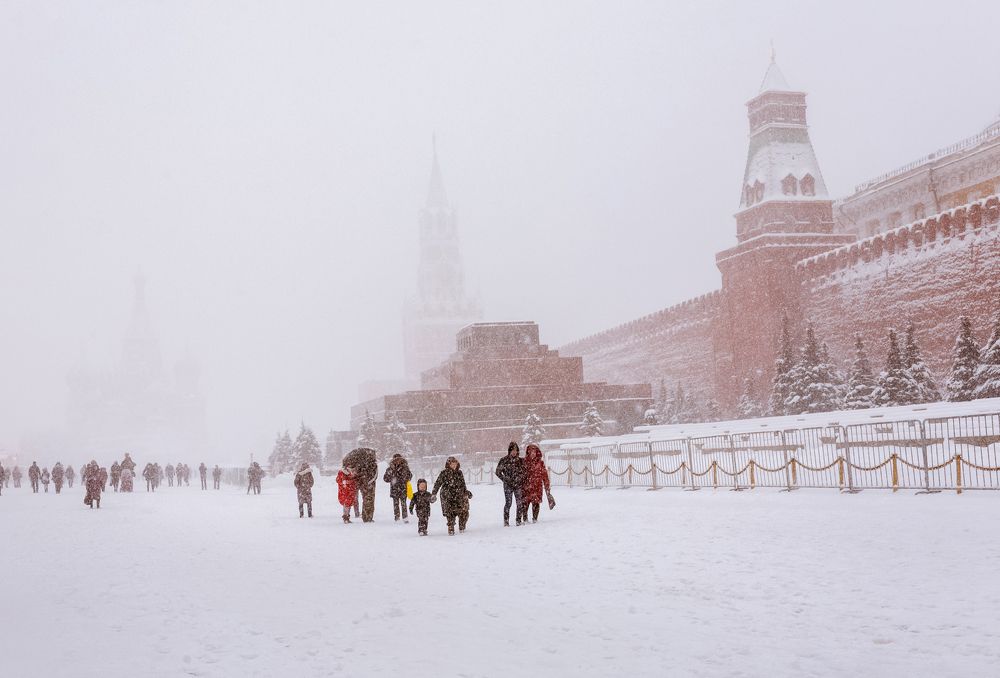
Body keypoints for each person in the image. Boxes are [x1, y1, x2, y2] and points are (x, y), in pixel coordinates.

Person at [431, 456, 472, 536]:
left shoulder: (459, 473)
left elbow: (463, 484)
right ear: (448, 464)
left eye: (455, 464)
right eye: (452, 464)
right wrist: (434, 493)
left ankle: (462, 526)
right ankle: (451, 527)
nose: (454, 465)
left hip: (459, 494)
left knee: (463, 511)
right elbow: (438, 483)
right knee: (450, 513)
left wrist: (466, 492)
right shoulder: (444, 473)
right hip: (447, 495)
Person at [496, 442, 527, 526]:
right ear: (509, 451)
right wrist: (505, 479)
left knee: (519, 503)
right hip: (508, 485)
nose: (514, 452)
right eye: (512, 450)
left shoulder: (521, 461)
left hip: (518, 485)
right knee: (508, 503)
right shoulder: (504, 460)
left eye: (516, 450)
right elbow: (498, 472)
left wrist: (520, 478)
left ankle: (518, 520)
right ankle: (506, 521)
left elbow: (525, 472)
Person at [522, 444, 552, 523]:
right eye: (531, 451)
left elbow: (544, 475)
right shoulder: (524, 462)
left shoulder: (540, 463)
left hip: (537, 486)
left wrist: (547, 485)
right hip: (527, 486)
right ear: (528, 452)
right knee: (526, 503)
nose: (532, 453)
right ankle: (525, 519)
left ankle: (535, 519)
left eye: (534, 452)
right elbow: (521, 474)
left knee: (536, 502)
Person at [383, 453, 413, 523]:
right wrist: (390, 476)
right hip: (394, 489)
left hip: (403, 488)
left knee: (403, 503)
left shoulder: (405, 467)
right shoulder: (390, 469)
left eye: (399, 459)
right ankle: (397, 517)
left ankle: (405, 517)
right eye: (396, 460)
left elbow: (410, 476)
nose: (397, 461)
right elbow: (385, 479)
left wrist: (404, 478)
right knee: (396, 504)